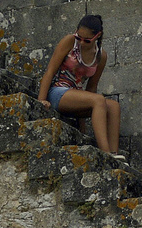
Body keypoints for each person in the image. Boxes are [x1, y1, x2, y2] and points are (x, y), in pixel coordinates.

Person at [38, 14, 124, 160]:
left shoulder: (100, 56)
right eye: (79, 37)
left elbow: (91, 89)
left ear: (98, 36)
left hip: (76, 98)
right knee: (98, 100)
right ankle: (106, 154)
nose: (82, 43)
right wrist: (41, 100)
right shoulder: (70, 41)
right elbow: (50, 70)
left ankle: (114, 155)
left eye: (87, 40)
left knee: (114, 106)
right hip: (58, 92)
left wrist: (82, 123)